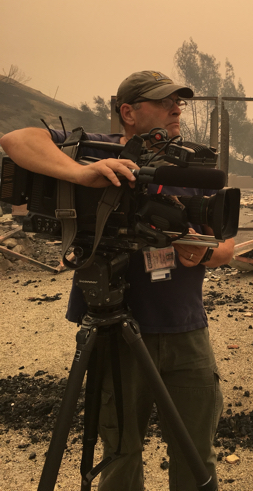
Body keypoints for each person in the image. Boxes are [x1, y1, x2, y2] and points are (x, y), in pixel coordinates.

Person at [0, 70, 234, 491]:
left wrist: (201, 250)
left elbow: (227, 248)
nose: (176, 108)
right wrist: (82, 174)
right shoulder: (95, 151)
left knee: (196, 451)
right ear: (128, 112)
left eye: (178, 102)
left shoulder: (191, 164)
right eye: (165, 102)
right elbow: (16, 140)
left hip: (185, 330)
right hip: (114, 327)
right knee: (121, 454)